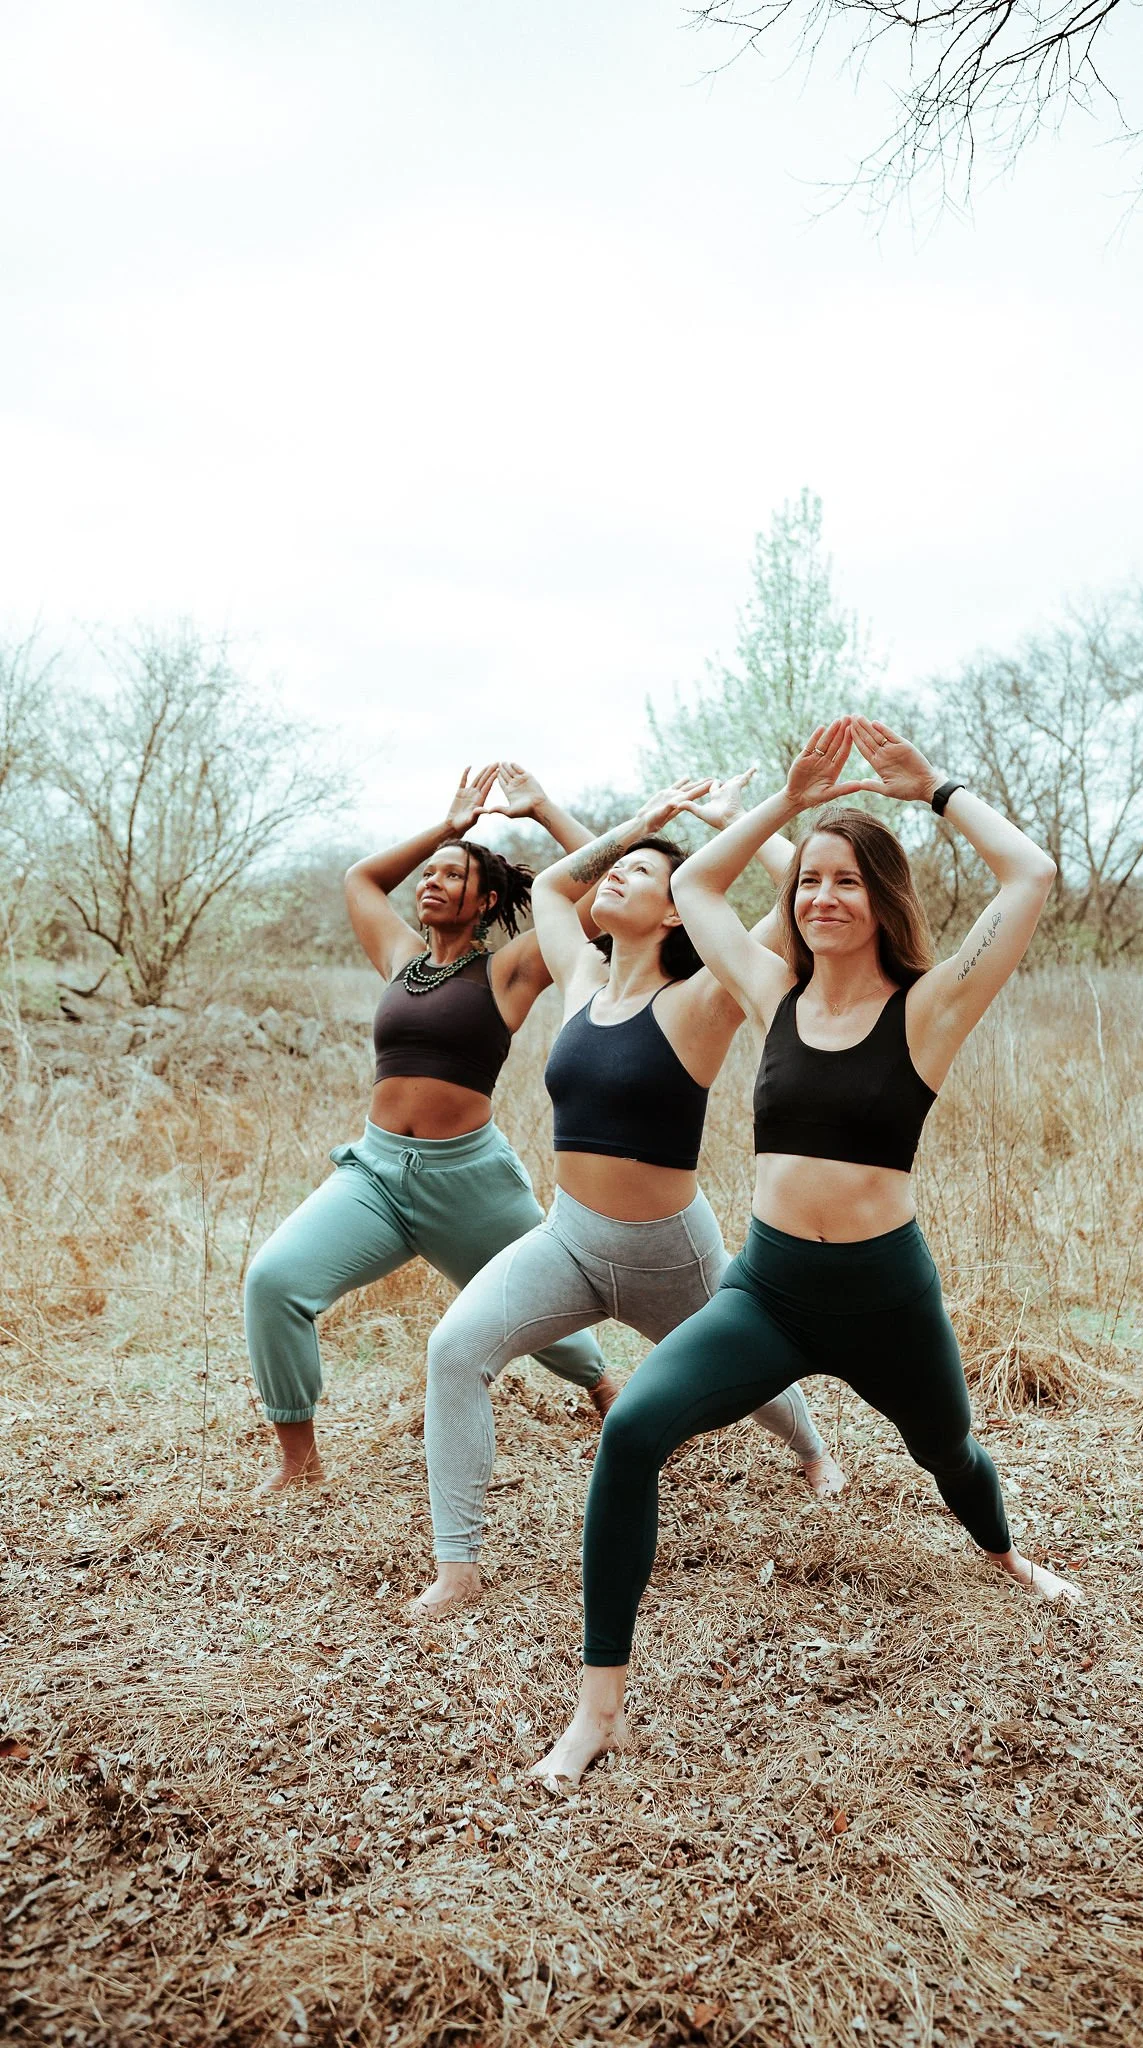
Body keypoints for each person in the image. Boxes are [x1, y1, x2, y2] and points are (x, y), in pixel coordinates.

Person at [532, 715, 1083, 1788]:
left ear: (882, 900)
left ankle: (1007, 1552)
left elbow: (1032, 871)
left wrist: (934, 790)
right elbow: (694, 888)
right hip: (770, 1290)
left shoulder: (930, 1008)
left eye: (846, 881)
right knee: (635, 1427)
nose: (823, 896)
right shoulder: (768, 990)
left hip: (885, 1296)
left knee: (949, 1453)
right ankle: (599, 1707)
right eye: (809, 880)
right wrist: (783, 805)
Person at [414, 768, 845, 1616]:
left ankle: (813, 1450)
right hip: (566, 1241)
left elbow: (802, 905)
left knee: (752, 1377)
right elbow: (552, 891)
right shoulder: (579, 979)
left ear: (680, 906)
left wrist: (763, 814)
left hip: (668, 1254)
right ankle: (457, 1569)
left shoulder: (703, 997)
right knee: (452, 1353)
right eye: (616, 867)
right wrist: (627, 823)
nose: (615, 875)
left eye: (643, 875)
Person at [243, 762, 614, 1495]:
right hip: (375, 1177)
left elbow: (615, 887)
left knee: (539, 1313)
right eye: (430, 874)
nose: (432, 882)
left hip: (467, 1180)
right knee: (273, 1281)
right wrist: (450, 828)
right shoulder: (400, 959)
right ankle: (299, 1462)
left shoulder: (511, 969)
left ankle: (607, 1395)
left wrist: (543, 813)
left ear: (488, 900)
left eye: (453, 875)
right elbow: (359, 880)